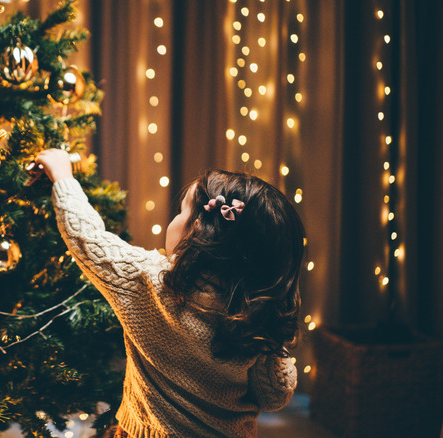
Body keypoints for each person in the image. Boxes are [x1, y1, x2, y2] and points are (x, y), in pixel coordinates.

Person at [34, 149, 305, 438]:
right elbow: (275, 395)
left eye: (181, 212)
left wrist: (63, 177)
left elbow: (86, 238)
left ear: (197, 228)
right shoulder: (255, 318)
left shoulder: (151, 281)